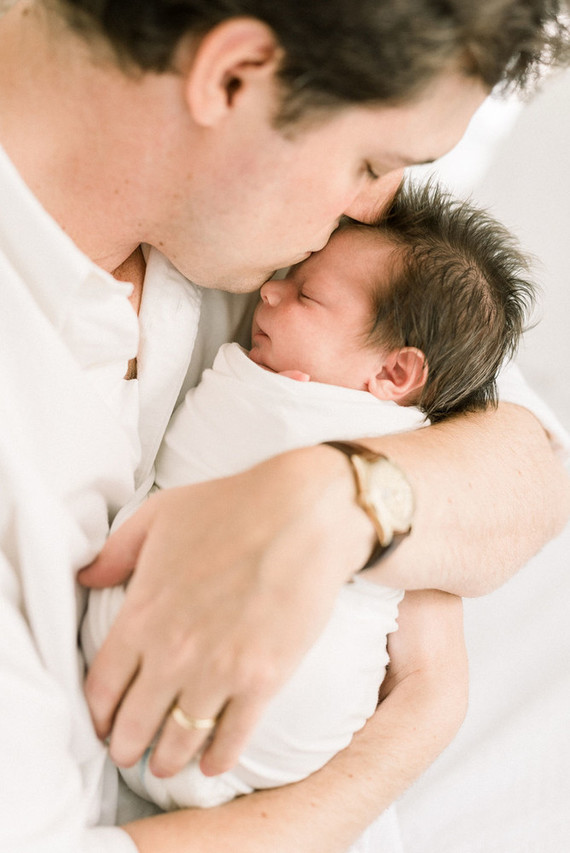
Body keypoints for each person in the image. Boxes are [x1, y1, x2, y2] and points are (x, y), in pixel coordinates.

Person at [1, 2, 569, 852]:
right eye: (372, 162)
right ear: (232, 77)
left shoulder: (245, 213)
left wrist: (341, 498)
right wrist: (417, 722)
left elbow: (528, 455)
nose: (378, 207)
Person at [82, 180, 538, 812]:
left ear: (394, 374)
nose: (271, 290)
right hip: (286, 752)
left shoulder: (399, 388)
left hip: (291, 708)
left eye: (306, 294)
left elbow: (531, 459)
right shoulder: (360, 308)